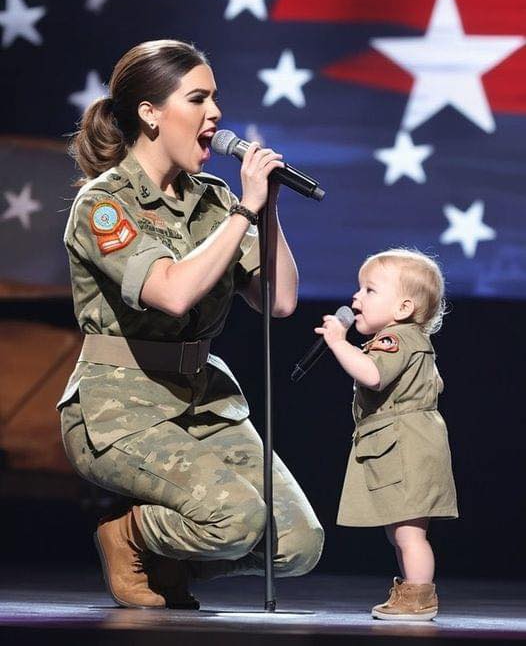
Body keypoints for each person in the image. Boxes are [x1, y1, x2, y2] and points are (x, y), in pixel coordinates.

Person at [58, 39, 324, 609]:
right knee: (235, 519)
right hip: (120, 410)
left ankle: (163, 558)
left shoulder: (216, 201)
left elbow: (279, 303)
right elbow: (171, 293)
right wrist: (244, 213)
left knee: (298, 545)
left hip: (204, 399)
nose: (216, 115)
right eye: (198, 98)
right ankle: (127, 533)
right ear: (150, 114)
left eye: (216, 99)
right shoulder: (104, 205)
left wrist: (266, 207)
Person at [315, 248, 458, 621]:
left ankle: (419, 596)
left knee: (410, 533)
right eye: (359, 289)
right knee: (400, 533)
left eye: (369, 290)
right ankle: (411, 592)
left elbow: (372, 375)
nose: (356, 298)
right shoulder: (403, 338)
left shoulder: (397, 339)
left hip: (406, 448)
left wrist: (337, 343)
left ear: (404, 308)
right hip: (403, 444)